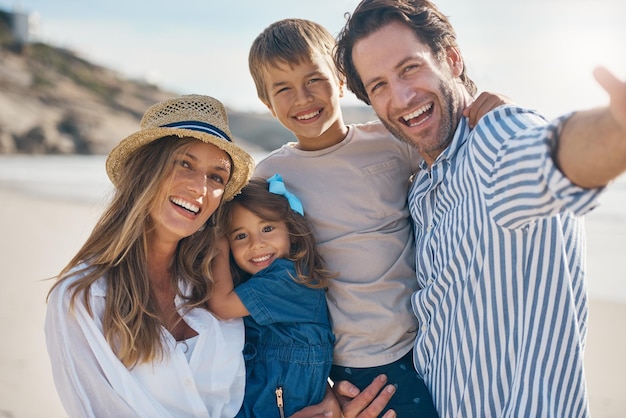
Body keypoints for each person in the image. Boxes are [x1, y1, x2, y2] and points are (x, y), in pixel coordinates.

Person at [332, 0, 626, 417]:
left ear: (451, 59)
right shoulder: (421, 190)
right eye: (378, 85)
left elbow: (551, 154)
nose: (401, 96)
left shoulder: (496, 137)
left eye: (409, 68)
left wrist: (616, 131)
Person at [248, 18, 508, 417]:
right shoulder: (271, 176)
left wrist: (493, 109)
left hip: (431, 338)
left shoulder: (389, 141)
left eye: (314, 79)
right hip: (355, 356)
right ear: (267, 103)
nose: (302, 98)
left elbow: (454, 149)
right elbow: (251, 255)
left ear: (339, 80)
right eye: (283, 89)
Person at [44, 94, 255, 417]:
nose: (200, 188)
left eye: (216, 177)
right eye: (184, 163)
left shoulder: (218, 280)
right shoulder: (84, 298)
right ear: (146, 170)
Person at [208, 175, 336, 418]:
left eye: (267, 228)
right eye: (240, 236)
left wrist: (218, 243)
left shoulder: (290, 279)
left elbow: (221, 306)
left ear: (291, 230)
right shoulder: (256, 284)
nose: (257, 244)